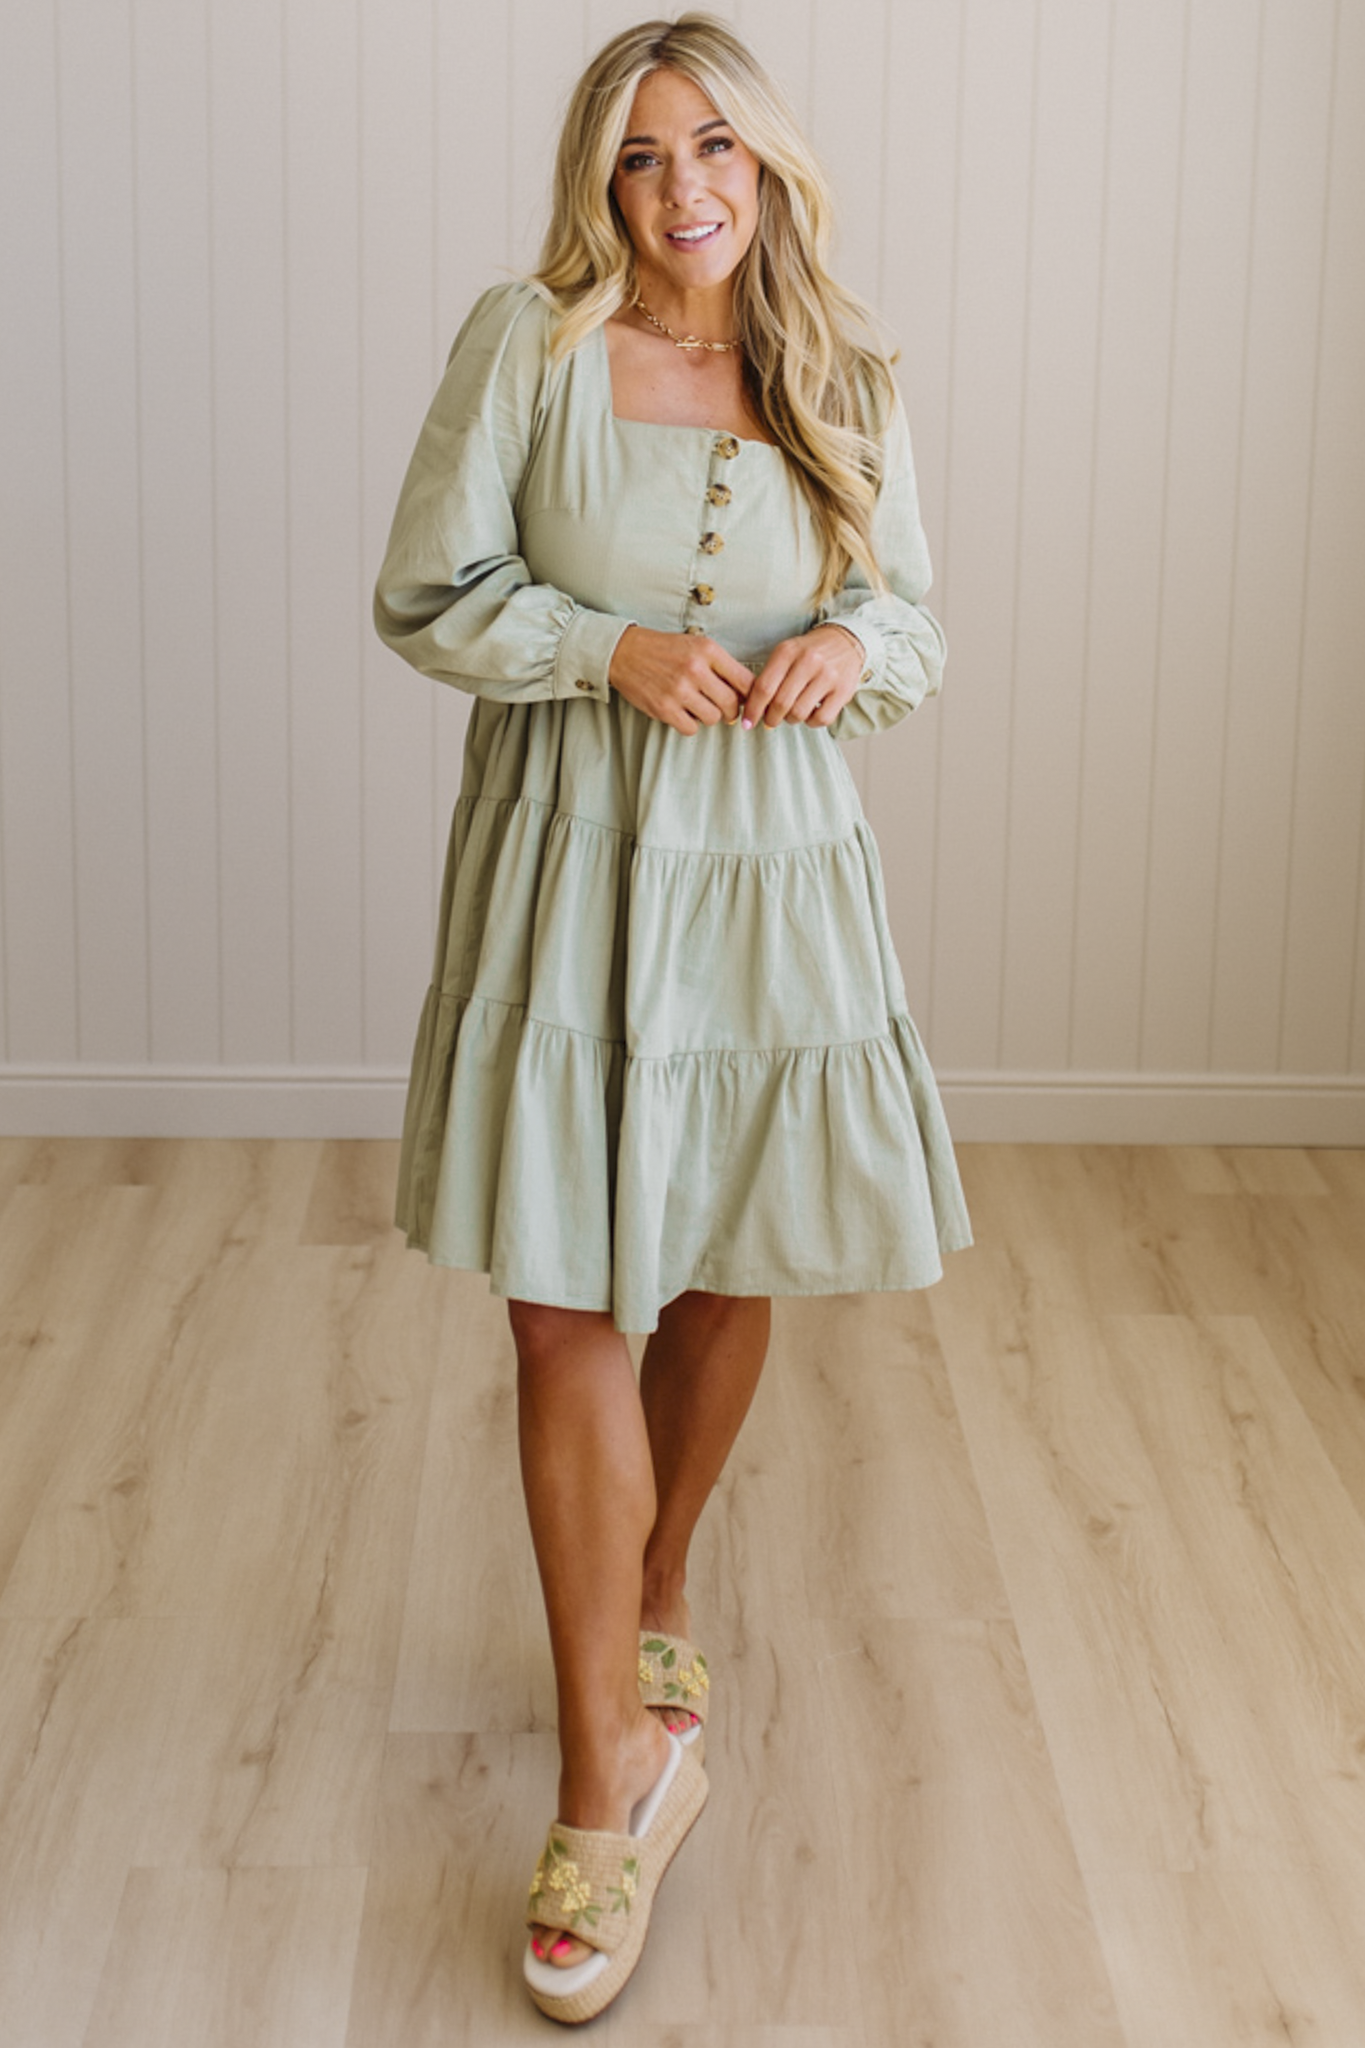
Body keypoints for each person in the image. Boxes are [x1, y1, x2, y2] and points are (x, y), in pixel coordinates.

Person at [373, 11, 971, 2023]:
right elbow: (428, 592)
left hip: (775, 879)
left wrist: (839, 651)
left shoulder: (846, 369)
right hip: (572, 856)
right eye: (640, 158)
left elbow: (911, 624)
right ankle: (605, 1785)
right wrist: (601, 646)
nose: (683, 188)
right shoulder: (522, 347)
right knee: (559, 1301)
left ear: (770, 165)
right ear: (594, 185)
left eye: (716, 147)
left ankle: (654, 1589)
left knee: (725, 1262)